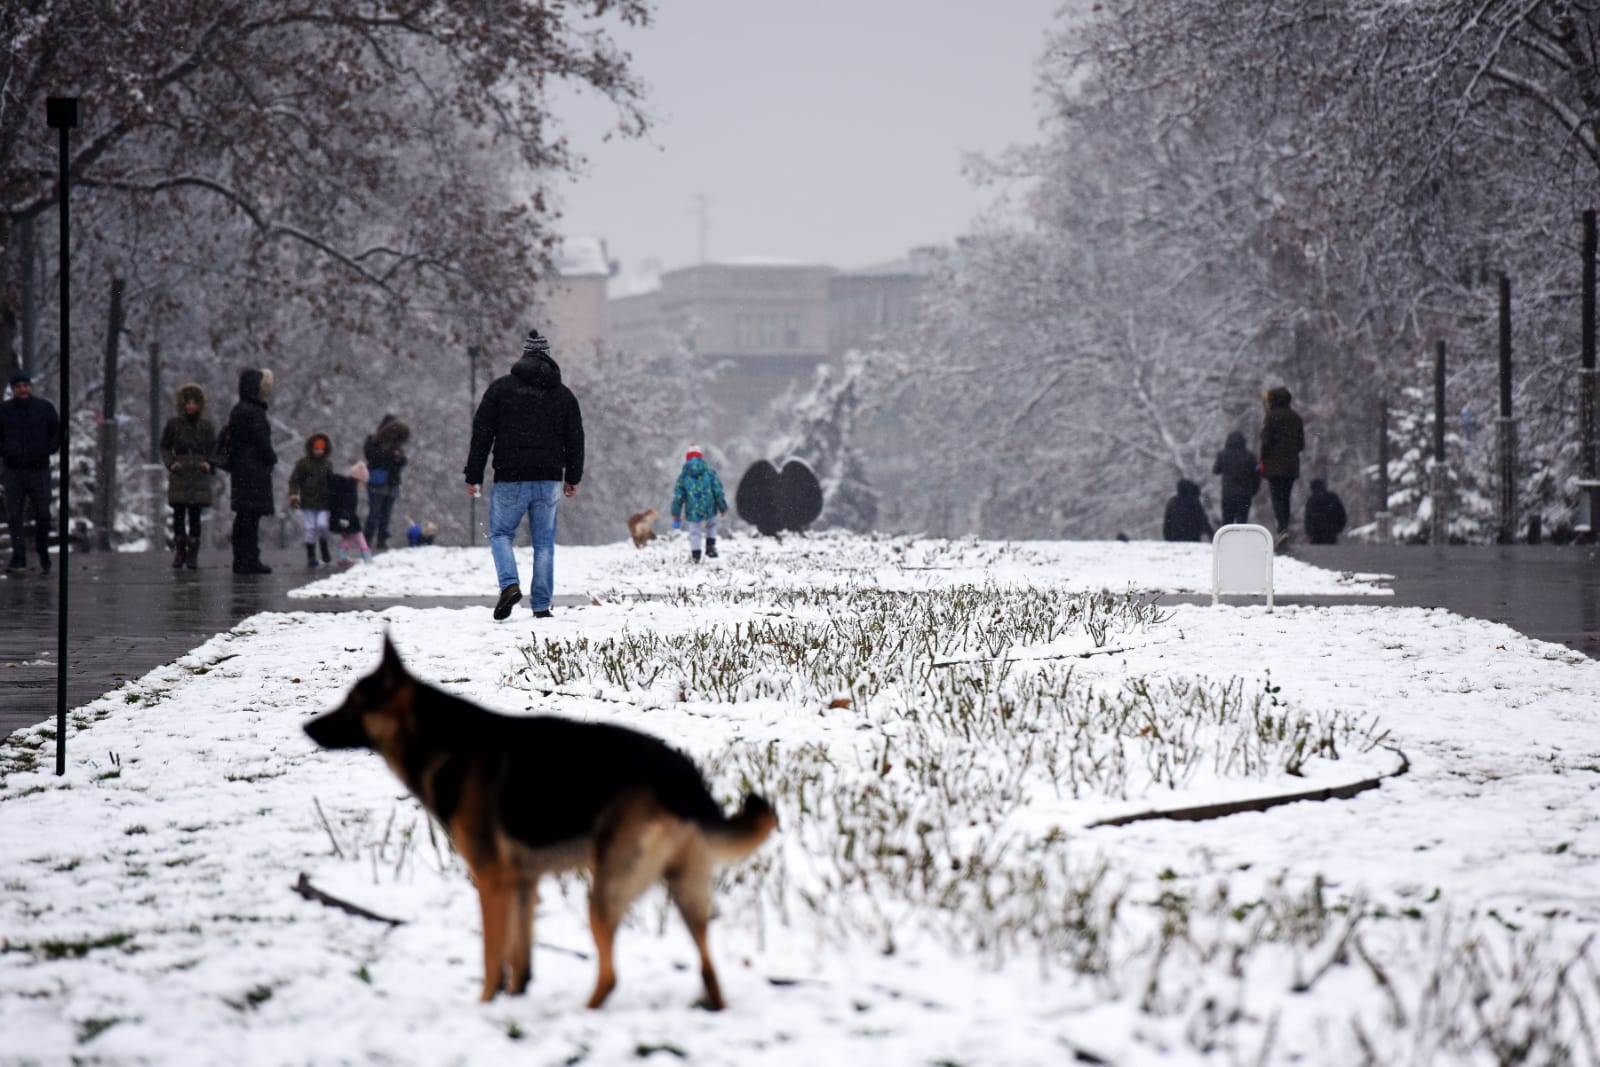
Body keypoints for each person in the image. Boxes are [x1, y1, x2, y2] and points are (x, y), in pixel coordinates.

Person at [464, 329, 585, 622]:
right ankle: (541, 605)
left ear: (524, 357)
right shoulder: (563, 395)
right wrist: (573, 477)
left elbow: (482, 434)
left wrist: (474, 474)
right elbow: (575, 438)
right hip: (548, 478)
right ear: (548, 358)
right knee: (544, 544)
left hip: (511, 476)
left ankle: (509, 585)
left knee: (501, 534)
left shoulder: (501, 390)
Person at [0, 370, 59, 574]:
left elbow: (57, 431)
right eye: (18, 387)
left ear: (30, 387)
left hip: (38, 469)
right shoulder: (4, 411)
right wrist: (6, 451)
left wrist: (48, 449)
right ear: (13, 390)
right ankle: (19, 557)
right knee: (14, 515)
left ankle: (42, 550)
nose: (22, 389)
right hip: (13, 470)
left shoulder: (44, 408)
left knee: (43, 513)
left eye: (25, 385)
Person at [158, 383, 217, 570]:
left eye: (194, 402)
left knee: (195, 514)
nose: (191, 406)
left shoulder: (205, 426)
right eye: (188, 402)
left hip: (199, 474)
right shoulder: (174, 425)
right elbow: (164, 446)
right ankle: (180, 551)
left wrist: (209, 463)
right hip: (180, 473)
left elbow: (214, 448)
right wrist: (171, 463)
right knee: (178, 513)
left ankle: (192, 553)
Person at [225, 368, 278, 575]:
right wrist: (271, 457)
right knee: (251, 517)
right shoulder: (254, 412)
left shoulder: (238, 410)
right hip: (254, 472)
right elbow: (262, 442)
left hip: (240, 470)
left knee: (244, 516)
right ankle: (250, 559)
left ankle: (241, 559)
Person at [1259, 386, 1306, 545]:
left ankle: (1282, 528)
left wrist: (1263, 459)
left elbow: (1266, 442)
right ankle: (1284, 526)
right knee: (1286, 497)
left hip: (1274, 465)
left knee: (1277, 497)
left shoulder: (1271, 417)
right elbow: (1301, 444)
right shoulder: (1296, 418)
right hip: (1291, 465)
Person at [670, 446, 728, 563]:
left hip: (693, 509)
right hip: (709, 506)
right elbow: (717, 491)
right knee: (711, 525)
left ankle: (696, 555)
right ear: (701, 458)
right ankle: (710, 548)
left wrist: (676, 513)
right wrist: (722, 506)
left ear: (687, 459)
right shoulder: (710, 473)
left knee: (695, 532)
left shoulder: (683, 476)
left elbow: (678, 497)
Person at [363, 413, 410, 551]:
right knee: (375, 512)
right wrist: (390, 454)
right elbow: (372, 456)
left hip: (392, 482)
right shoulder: (374, 441)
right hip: (377, 482)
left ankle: (381, 540)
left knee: (386, 514)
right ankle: (367, 540)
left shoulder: (397, 445)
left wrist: (398, 458)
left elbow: (402, 462)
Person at [288, 432, 334, 569]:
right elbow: (294, 480)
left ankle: (324, 546)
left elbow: (332, 482)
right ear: (311, 448)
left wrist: (336, 497)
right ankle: (311, 556)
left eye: (321, 449)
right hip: (308, 501)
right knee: (310, 528)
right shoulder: (303, 463)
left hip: (324, 502)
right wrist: (293, 495)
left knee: (322, 525)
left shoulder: (327, 464)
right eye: (316, 449)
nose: (319, 451)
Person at [1212, 431, 1261, 527]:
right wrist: (1253, 490)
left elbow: (1215, 470)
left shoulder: (1223, 455)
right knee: (1242, 522)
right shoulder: (1250, 456)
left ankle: (1227, 536)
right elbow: (1256, 476)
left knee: (1227, 523)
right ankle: (1241, 536)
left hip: (1228, 495)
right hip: (1245, 495)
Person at [329, 460, 372, 566]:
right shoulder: (350, 489)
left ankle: (342, 557)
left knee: (347, 537)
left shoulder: (344, 485)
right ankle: (367, 557)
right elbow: (348, 505)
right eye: (362, 481)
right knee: (359, 536)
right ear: (359, 479)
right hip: (348, 518)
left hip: (340, 516)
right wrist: (346, 517)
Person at [1162, 478, 1213, 542]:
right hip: (1193, 538)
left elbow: (1167, 522)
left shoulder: (1173, 502)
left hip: (1175, 538)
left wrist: (1167, 537)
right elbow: (1203, 520)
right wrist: (1211, 534)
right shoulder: (1194, 502)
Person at [1304, 479, 1348, 545]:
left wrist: (1309, 532)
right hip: (1328, 534)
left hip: (1319, 535)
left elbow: (1308, 519)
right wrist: (1337, 529)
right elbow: (1342, 515)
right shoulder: (1332, 497)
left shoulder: (1312, 500)